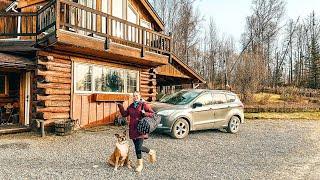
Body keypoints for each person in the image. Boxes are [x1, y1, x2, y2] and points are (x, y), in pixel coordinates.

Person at [116, 91, 156, 173]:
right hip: (132, 129)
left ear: (139, 96)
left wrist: (145, 114)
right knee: (137, 148)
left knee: (139, 147)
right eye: (134, 96)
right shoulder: (131, 106)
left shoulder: (143, 104)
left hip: (141, 129)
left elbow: (152, 113)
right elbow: (124, 114)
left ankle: (147, 157)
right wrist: (120, 105)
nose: (135, 97)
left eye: (136, 95)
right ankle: (140, 162)